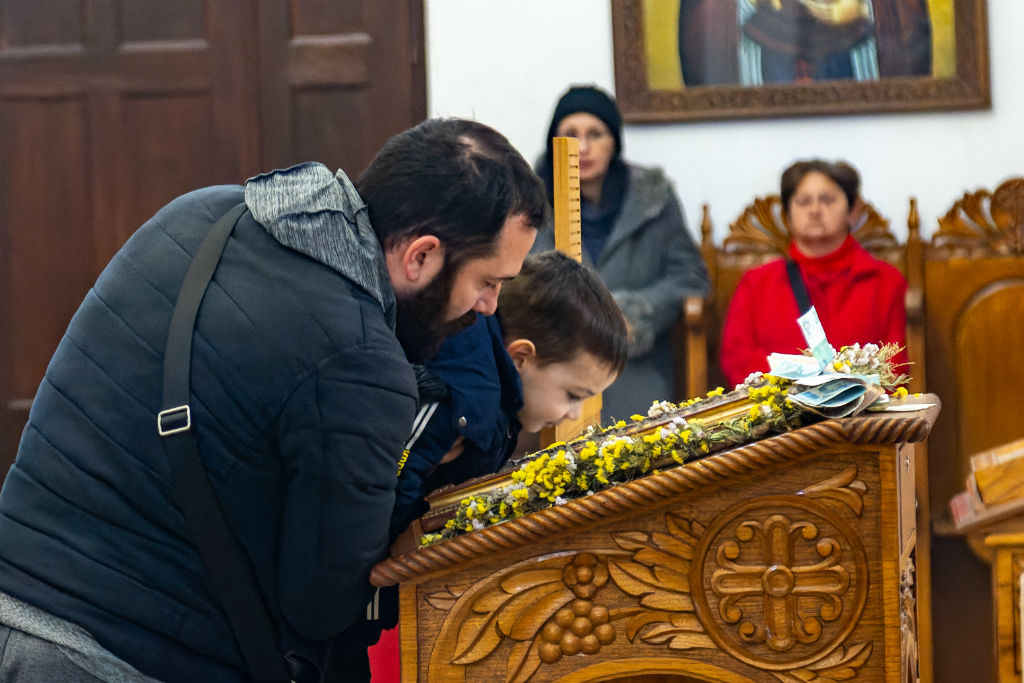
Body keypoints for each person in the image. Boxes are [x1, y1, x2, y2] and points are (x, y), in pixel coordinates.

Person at [0, 118, 547, 682]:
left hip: (14, 599)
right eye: (488, 281)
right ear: (422, 256)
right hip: (116, 653)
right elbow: (321, 605)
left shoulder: (201, 212)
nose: (489, 306)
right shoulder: (361, 362)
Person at [368, 251, 628, 682]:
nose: (572, 414)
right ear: (521, 357)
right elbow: (389, 471)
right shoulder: (464, 398)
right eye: (573, 395)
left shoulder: (489, 388)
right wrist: (396, 559)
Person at [532, 85, 709, 420]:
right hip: (553, 365)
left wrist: (631, 315)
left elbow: (690, 277)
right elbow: (514, 282)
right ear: (554, 141)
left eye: (595, 134)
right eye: (571, 134)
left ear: (614, 141)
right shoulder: (530, 199)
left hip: (634, 367)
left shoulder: (653, 197)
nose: (583, 147)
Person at [719, 158, 908, 386]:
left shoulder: (885, 282)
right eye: (804, 201)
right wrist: (794, 392)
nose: (815, 210)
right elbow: (737, 359)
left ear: (853, 210)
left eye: (827, 200)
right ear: (787, 214)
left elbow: (896, 366)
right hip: (778, 406)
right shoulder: (757, 283)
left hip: (862, 408)